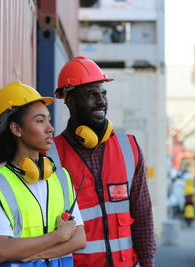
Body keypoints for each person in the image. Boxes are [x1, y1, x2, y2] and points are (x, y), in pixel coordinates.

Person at [51, 57, 156, 267]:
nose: (101, 101)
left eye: (103, 93)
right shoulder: (51, 156)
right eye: (91, 94)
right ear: (70, 101)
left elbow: (143, 214)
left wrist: (147, 262)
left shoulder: (129, 148)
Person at [0, 81, 86, 266]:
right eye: (40, 121)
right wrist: (59, 235)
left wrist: (33, 255)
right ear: (16, 129)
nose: (50, 128)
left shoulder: (61, 177)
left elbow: (79, 239)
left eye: (48, 120)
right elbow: (2, 250)